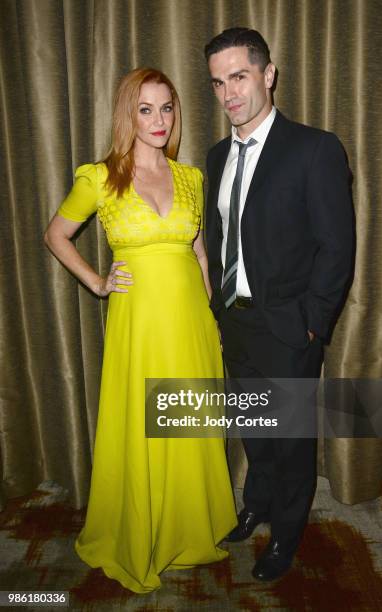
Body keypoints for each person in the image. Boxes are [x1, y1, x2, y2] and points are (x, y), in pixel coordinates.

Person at [44, 67, 237, 594]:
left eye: (167, 107)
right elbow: (56, 234)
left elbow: (199, 252)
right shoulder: (99, 177)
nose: (158, 120)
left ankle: (188, 528)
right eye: (145, 109)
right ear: (128, 114)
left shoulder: (191, 177)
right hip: (139, 322)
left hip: (191, 319)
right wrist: (98, 282)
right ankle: (139, 533)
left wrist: (212, 314)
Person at [204, 28, 354, 582]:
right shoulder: (218, 156)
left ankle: (286, 536)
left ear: (268, 75)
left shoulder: (316, 147)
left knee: (291, 443)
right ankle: (258, 505)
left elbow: (338, 247)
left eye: (239, 77)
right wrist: (219, 310)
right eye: (219, 82)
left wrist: (313, 323)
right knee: (256, 430)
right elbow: (221, 239)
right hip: (236, 324)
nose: (229, 94)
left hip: (292, 330)